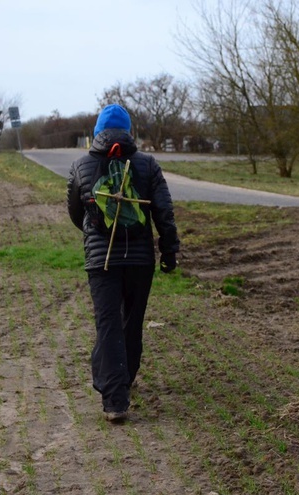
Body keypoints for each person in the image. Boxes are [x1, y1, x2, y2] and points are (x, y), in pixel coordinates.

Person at [66, 103, 180, 422]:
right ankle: (123, 381)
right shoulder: (147, 164)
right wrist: (169, 253)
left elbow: (76, 213)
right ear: (129, 131)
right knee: (131, 322)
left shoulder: (81, 166)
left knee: (108, 325)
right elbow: (164, 214)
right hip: (140, 261)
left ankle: (116, 400)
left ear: (97, 132)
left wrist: (95, 234)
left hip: (101, 263)